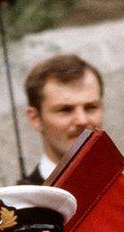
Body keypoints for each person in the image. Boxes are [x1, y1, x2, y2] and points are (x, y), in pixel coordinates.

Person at [20, 54, 104, 185]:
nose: (82, 120)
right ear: (35, 118)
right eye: (65, 110)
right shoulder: (22, 204)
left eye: (91, 107)